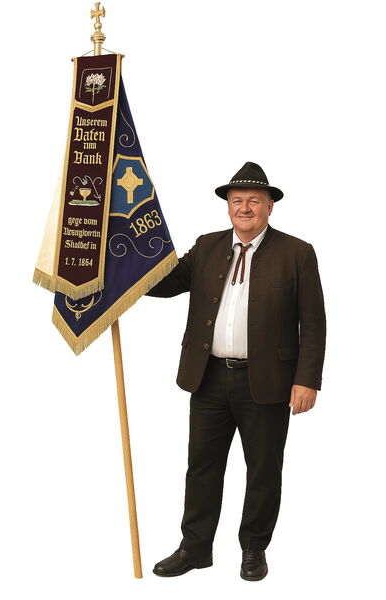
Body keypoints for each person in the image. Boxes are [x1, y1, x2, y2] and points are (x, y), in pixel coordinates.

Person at [145, 161, 326, 580]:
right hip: (207, 377)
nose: (244, 208)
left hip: (268, 381)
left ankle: (253, 548)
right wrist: (119, 265)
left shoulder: (297, 252)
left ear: (269, 207)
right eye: (237, 200)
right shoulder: (207, 246)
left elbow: (313, 322)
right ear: (228, 206)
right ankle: (195, 548)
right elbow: (165, 283)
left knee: (263, 469)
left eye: (254, 201)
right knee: (201, 466)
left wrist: (307, 379)